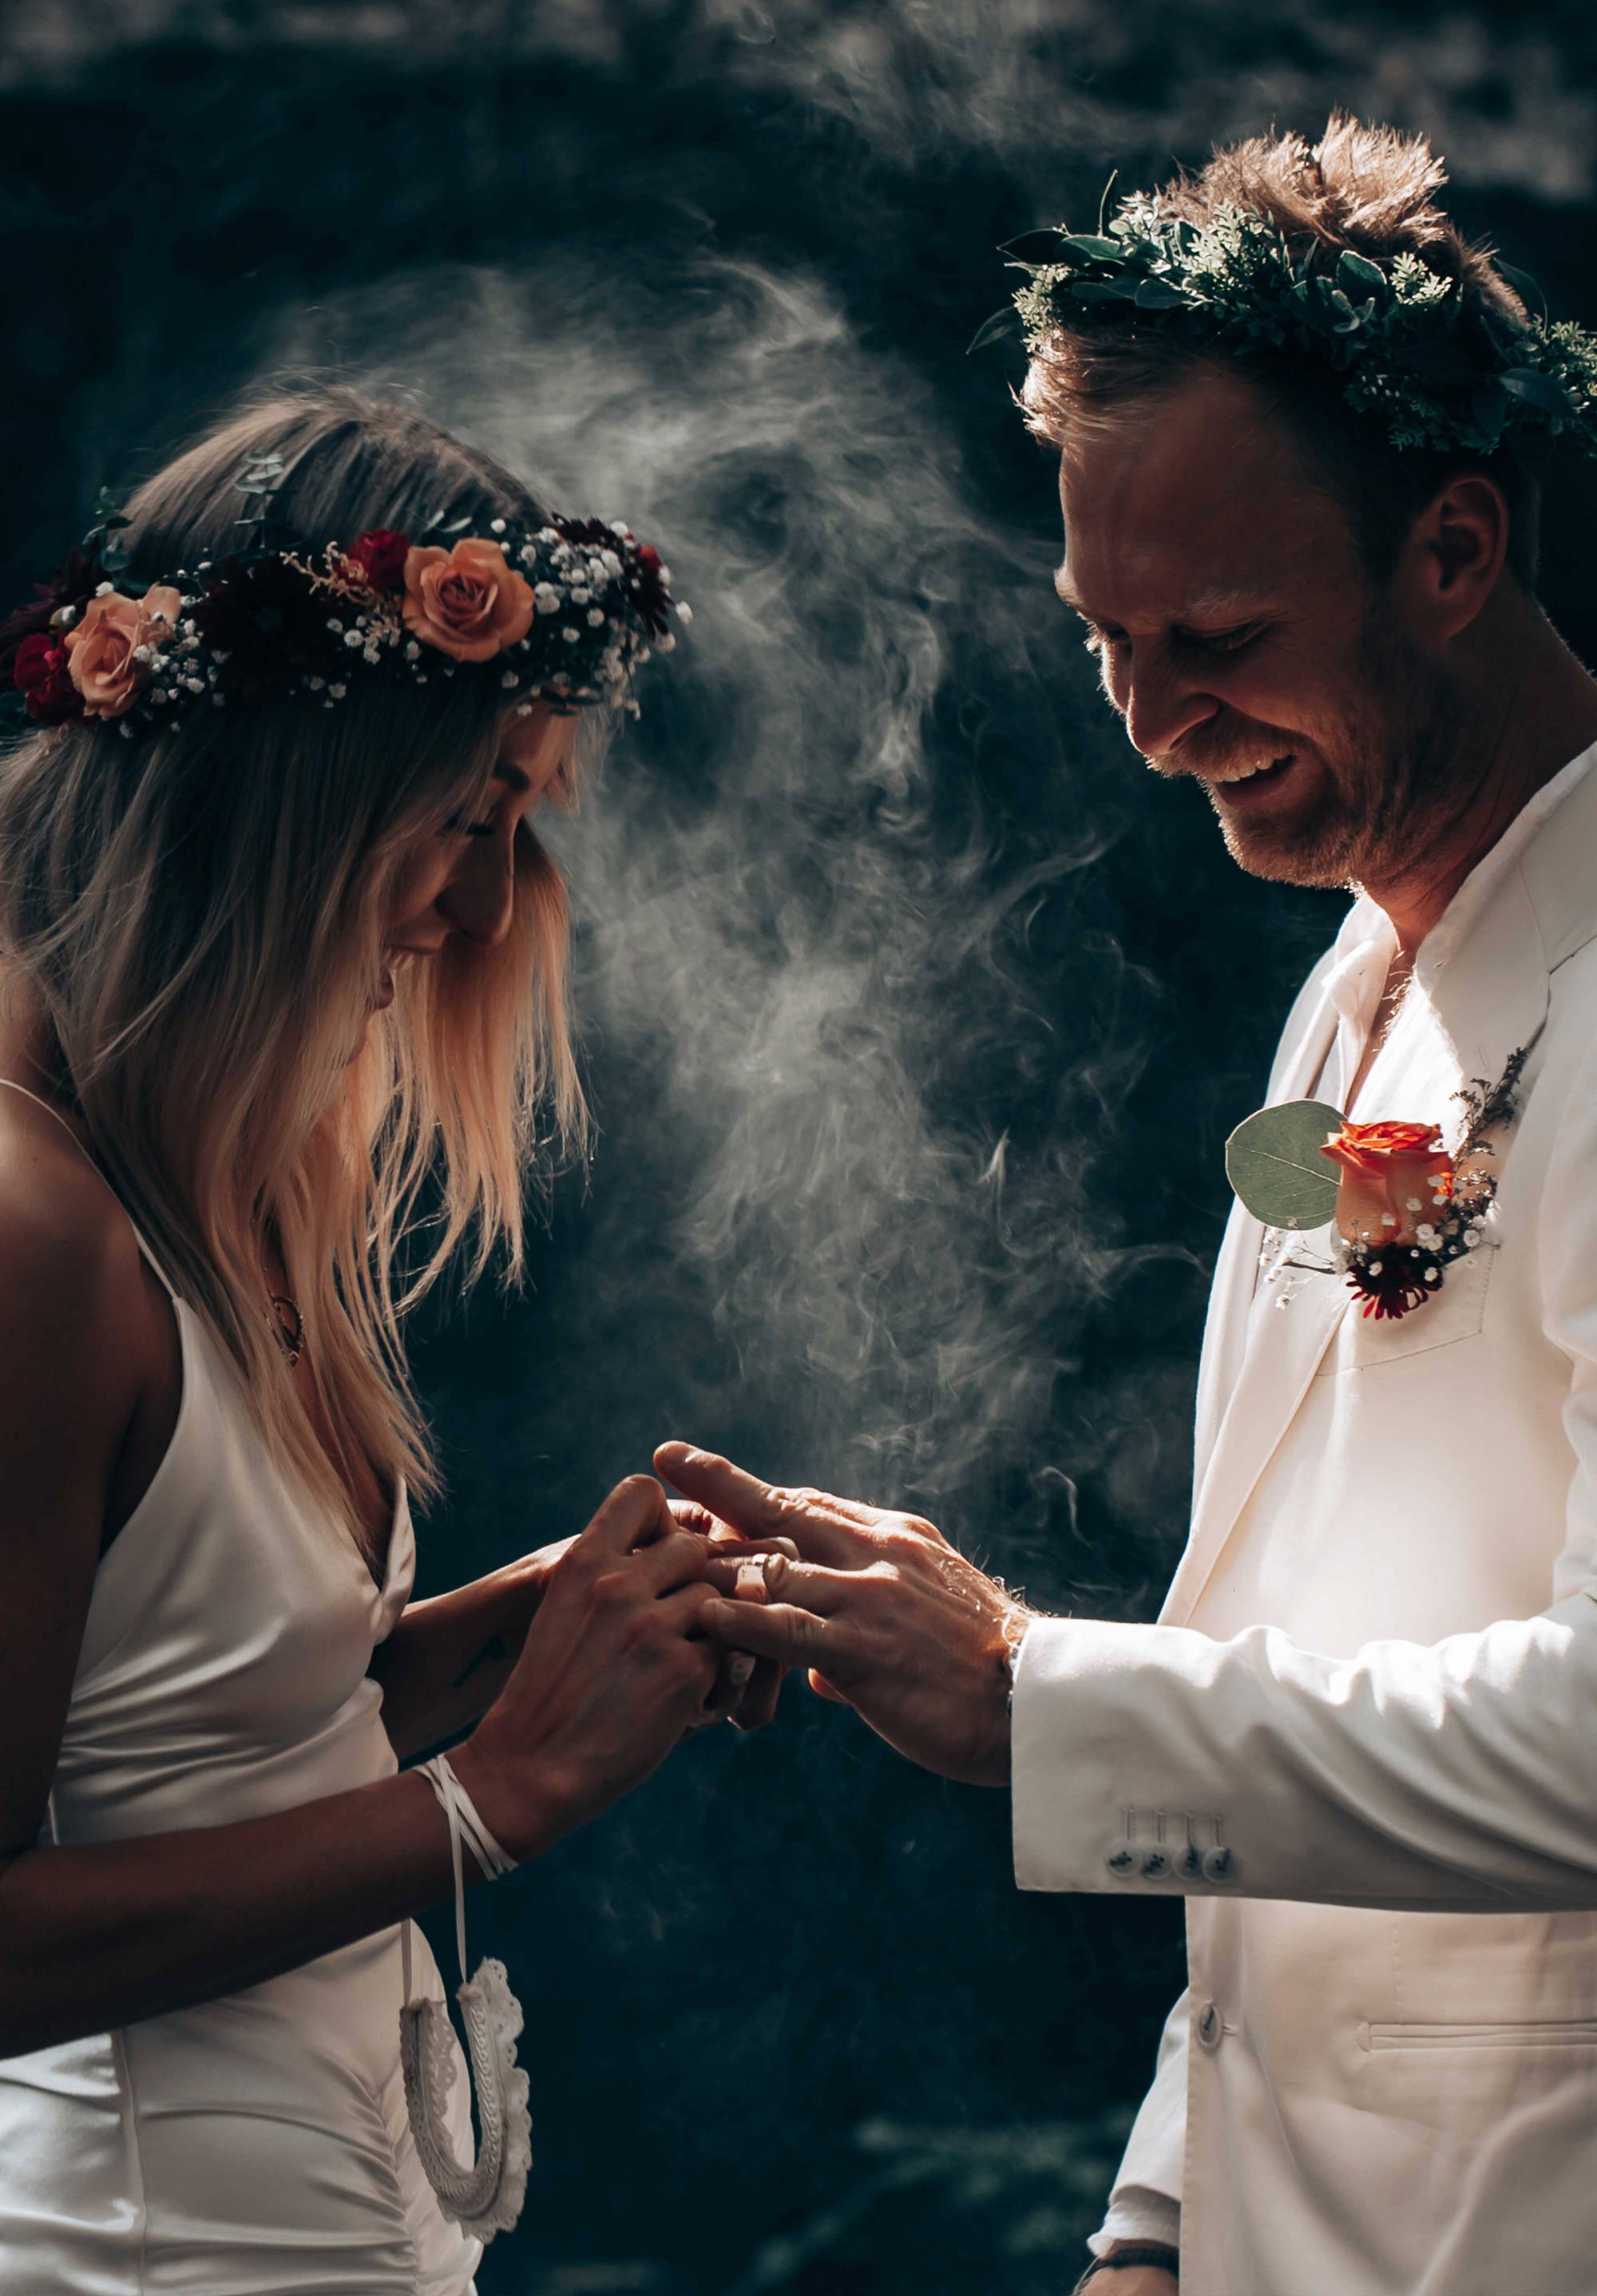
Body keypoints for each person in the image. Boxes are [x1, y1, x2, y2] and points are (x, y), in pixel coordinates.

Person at [659, 115, 1597, 2296]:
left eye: (1222, 634)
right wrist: (1161, 2212)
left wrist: (1035, 1701)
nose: (1157, 725)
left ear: (1454, 549)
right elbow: (1292, 1618)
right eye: (1105, 636)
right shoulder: (1341, 997)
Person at [0, 388, 759, 2294]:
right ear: (286, 798)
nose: (492, 904)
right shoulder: (19, 1233)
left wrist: (511, 1644)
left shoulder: (174, 1176)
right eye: (465, 816)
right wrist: (489, 1804)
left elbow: (177, 1740)